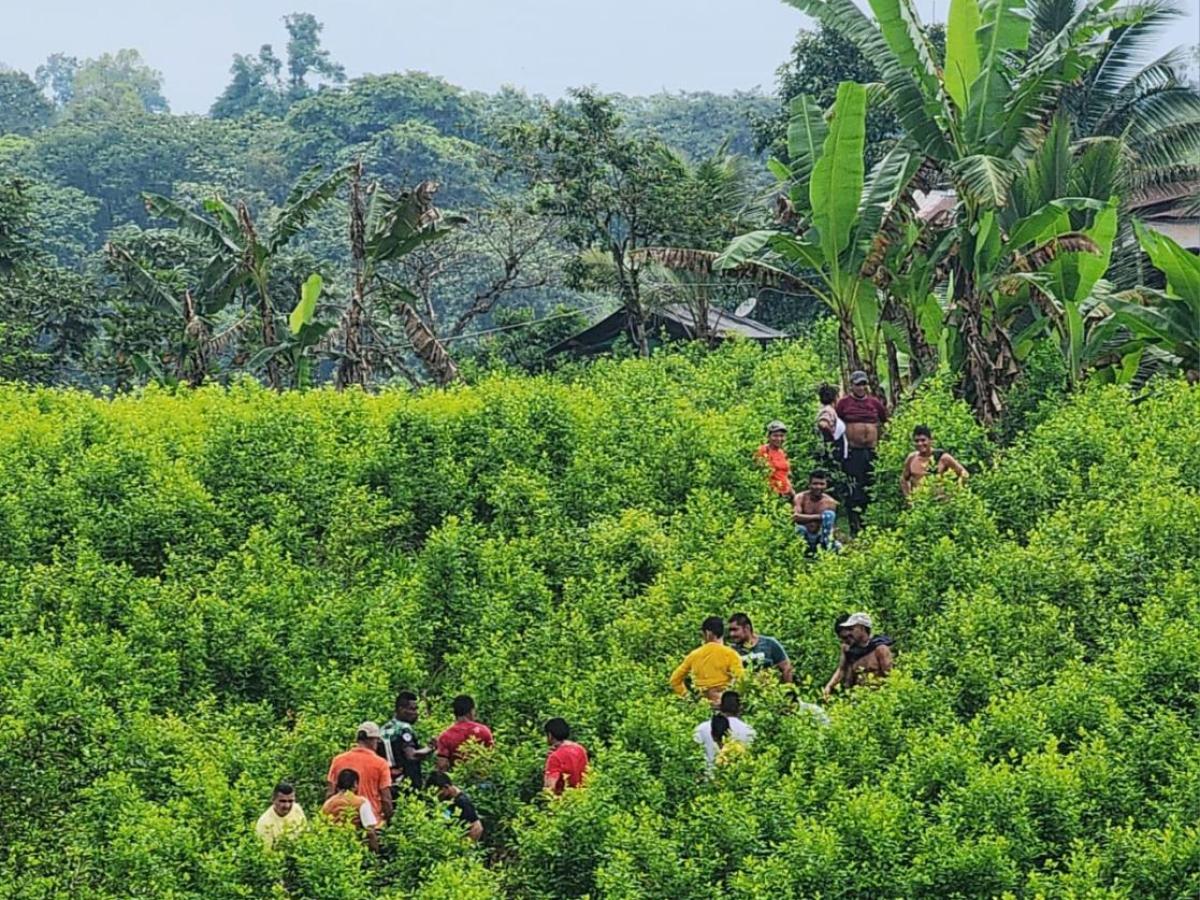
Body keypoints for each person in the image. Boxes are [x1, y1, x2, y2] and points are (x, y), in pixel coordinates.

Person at [835, 371, 888, 535]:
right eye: (858, 384)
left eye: (863, 384)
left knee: (870, 486)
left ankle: (868, 522)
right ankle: (853, 523)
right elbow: (836, 423)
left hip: (871, 451)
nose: (861, 387)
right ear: (851, 385)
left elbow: (885, 419)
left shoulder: (874, 402)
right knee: (853, 487)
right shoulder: (844, 404)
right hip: (853, 451)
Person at [326, 721, 394, 823]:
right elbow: (386, 799)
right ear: (372, 740)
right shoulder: (381, 764)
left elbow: (330, 793)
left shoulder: (338, 760)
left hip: (342, 821)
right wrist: (390, 820)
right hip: (372, 821)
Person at [670, 616, 745, 706]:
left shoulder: (694, 655)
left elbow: (674, 680)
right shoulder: (731, 654)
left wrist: (688, 699)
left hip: (702, 704)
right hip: (724, 704)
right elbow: (742, 680)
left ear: (708, 633)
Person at [823, 612, 894, 699]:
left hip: (878, 699)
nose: (849, 632)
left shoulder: (880, 649)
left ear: (862, 628)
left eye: (852, 629)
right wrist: (829, 686)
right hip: (857, 698)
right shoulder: (850, 650)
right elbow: (842, 669)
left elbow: (890, 678)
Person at [379, 691, 436, 793]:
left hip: (386, 781)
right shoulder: (404, 728)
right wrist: (429, 748)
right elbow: (411, 755)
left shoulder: (383, 729)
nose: (416, 713)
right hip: (405, 784)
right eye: (412, 709)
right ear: (401, 709)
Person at [692, 691, 756, 772]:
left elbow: (694, 754)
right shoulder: (749, 730)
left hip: (707, 777)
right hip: (736, 778)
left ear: (720, 706)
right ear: (740, 708)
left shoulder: (702, 728)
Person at [901, 425, 969, 499]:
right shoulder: (912, 458)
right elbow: (904, 479)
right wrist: (909, 498)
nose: (920, 444)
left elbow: (964, 474)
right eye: (917, 441)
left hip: (938, 504)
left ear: (931, 440)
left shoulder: (942, 458)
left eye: (923, 440)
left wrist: (955, 492)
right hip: (919, 504)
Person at [321, 768, 380, 852]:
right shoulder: (361, 802)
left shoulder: (328, 803)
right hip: (355, 849)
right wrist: (375, 854)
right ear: (355, 784)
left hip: (334, 850)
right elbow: (370, 831)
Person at [727, 613, 794, 683]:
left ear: (747, 628)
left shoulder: (770, 643)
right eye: (730, 630)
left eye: (735, 630)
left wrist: (787, 690)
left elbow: (786, 668)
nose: (732, 634)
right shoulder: (732, 651)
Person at [435, 695, 495, 771]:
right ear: (471, 711)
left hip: (458, 778)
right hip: (482, 778)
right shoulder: (483, 730)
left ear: (454, 713)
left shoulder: (446, 736)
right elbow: (492, 757)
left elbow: (442, 765)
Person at [793, 469, 840, 554]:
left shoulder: (830, 502)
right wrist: (820, 517)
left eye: (822, 484)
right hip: (804, 535)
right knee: (799, 529)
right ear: (809, 485)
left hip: (820, 537)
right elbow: (795, 517)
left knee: (838, 546)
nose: (818, 487)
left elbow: (831, 526)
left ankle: (825, 551)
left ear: (826, 485)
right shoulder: (800, 497)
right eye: (815, 484)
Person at [428, 771, 484, 841]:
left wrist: (465, 847)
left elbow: (477, 827)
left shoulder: (462, 802)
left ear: (446, 787)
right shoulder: (447, 799)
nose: (437, 797)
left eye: (439, 793)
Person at [543, 717, 589, 795]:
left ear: (550, 735)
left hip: (565, 801)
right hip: (583, 797)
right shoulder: (580, 749)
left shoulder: (555, 756)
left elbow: (550, 788)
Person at [254, 781, 307, 849]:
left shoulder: (297, 809)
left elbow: (306, 835)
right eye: (282, 801)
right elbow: (266, 853)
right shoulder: (264, 823)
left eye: (290, 801)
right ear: (273, 800)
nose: (287, 806)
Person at [754, 420, 794, 499]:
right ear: (768, 436)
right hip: (771, 494)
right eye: (775, 435)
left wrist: (792, 492)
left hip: (785, 493)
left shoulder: (782, 452)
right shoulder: (763, 450)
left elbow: (785, 475)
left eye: (782, 436)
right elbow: (759, 474)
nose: (779, 439)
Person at [815, 384, 847, 467]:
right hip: (832, 452)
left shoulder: (830, 410)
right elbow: (823, 424)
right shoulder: (828, 410)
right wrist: (831, 439)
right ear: (835, 398)